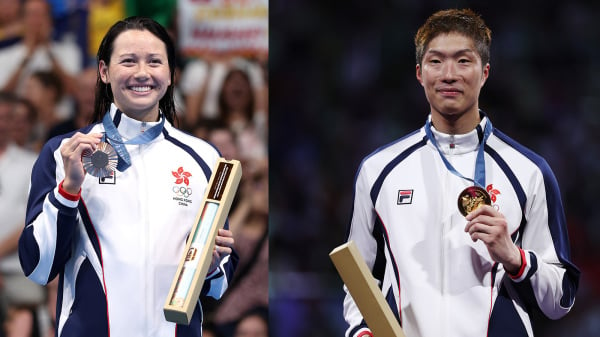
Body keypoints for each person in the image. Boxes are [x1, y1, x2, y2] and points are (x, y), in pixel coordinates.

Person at [342, 9, 580, 337]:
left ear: (484, 72)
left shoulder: (529, 172)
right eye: (436, 61)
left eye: (463, 61)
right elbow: (359, 279)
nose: (449, 74)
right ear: (419, 73)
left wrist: (515, 258)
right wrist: (361, 332)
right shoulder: (378, 171)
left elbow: (561, 299)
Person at [18, 16, 238, 337]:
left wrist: (212, 263)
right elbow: (37, 267)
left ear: (171, 74)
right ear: (104, 72)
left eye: (154, 62)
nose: (142, 73)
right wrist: (69, 189)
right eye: (128, 61)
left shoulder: (204, 157)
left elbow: (217, 287)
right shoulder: (63, 152)